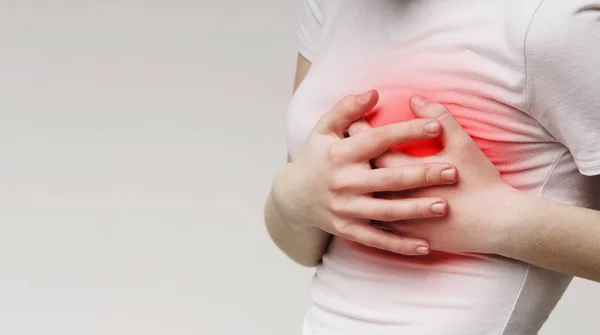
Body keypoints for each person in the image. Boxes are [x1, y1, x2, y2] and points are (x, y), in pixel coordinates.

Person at [264, 0, 600, 334]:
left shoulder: (552, 23)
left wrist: (501, 219)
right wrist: (292, 196)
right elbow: (305, 248)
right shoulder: (327, 6)